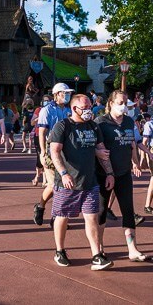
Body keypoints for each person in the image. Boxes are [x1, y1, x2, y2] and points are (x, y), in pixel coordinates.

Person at [49, 94, 114, 270]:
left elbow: (102, 151)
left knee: (92, 217)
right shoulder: (63, 126)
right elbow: (55, 151)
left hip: (89, 181)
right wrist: (63, 173)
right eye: (85, 108)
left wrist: (109, 173)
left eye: (90, 107)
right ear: (74, 108)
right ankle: (60, 251)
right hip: (68, 182)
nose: (88, 111)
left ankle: (96, 255)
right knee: (62, 216)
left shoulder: (93, 126)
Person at [95, 90, 151, 262]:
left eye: (125, 103)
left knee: (128, 210)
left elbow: (132, 143)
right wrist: (105, 166)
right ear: (111, 103)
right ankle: (99, 247)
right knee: (102, 211)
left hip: (124, 172)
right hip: (104, 173)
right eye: (120, 103)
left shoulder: (128, 121)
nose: (123, 106)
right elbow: (96, 147)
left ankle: (132, 249)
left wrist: (135, 162)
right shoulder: (100, 122)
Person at [33, 83, 73, 226]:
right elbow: (42, 132)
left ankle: (56, 216)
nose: (67, 95)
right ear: (56, 94)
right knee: (53, 185)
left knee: (65, 185)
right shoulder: (47, 110)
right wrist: (43, 153)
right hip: (51, 150)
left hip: (67, 151)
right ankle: (42, 207)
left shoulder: (69, 110)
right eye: (64, 93)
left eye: (68, 93)